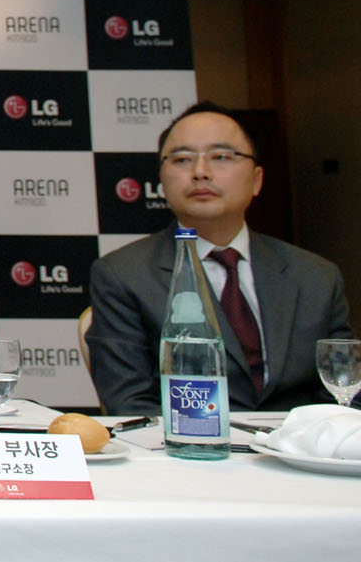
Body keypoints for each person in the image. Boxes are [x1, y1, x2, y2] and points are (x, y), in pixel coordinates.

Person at [88, 101, 352, 413]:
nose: (200, 172)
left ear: (257, 180)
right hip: (187, 441)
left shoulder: (316, 276)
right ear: (161, 181)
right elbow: (131, 403)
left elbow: (344, 391)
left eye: (221, 157)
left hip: (299, 440)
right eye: (182, 159)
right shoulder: (123, 275)